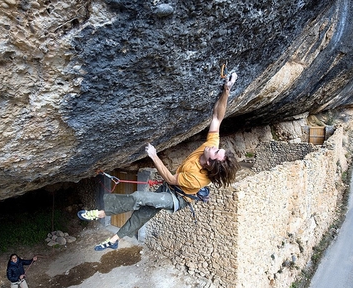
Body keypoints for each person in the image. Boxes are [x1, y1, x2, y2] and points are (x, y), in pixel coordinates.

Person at [78, 73, 240, 251]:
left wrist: (154, 156)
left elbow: (171, 179)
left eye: (216, 151)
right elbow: (217, 118)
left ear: (210, 164)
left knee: (139, 197)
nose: (215, 147)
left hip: (176, 197)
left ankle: (100, 213)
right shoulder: (211, 146)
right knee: (143, 213)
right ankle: (115, 239)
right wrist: (227, 90)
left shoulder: (197, 178)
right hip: (172, 187)